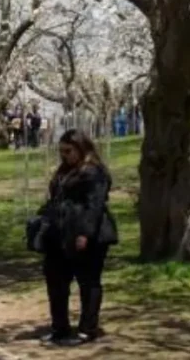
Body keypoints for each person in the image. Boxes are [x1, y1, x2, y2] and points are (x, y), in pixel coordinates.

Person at [34, 129, 117, 348]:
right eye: (61, 151)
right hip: (60, 233)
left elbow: (94, 206)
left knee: (88, 281)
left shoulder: (94, 172)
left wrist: (85, 234)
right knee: (56, 280)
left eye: (68, 151)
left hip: (87, 234)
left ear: (81, 148)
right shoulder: (64, 171)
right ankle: (59, 327)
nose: (64, 155)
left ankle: (87, 329)